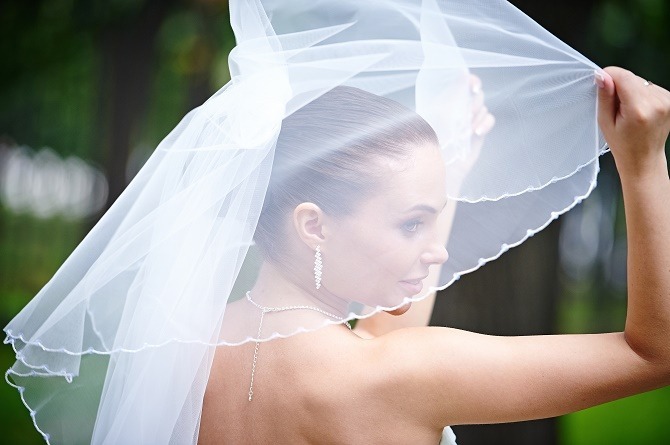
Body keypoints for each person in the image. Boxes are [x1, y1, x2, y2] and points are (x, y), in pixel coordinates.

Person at [198, 67, 670, 444]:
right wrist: (643, 162)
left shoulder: (190, 347)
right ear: (314, 225)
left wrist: (452, 167)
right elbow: (652, 354)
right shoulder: (405, 373)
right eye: (411, 223)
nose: (438, 251)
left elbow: (379, 339)